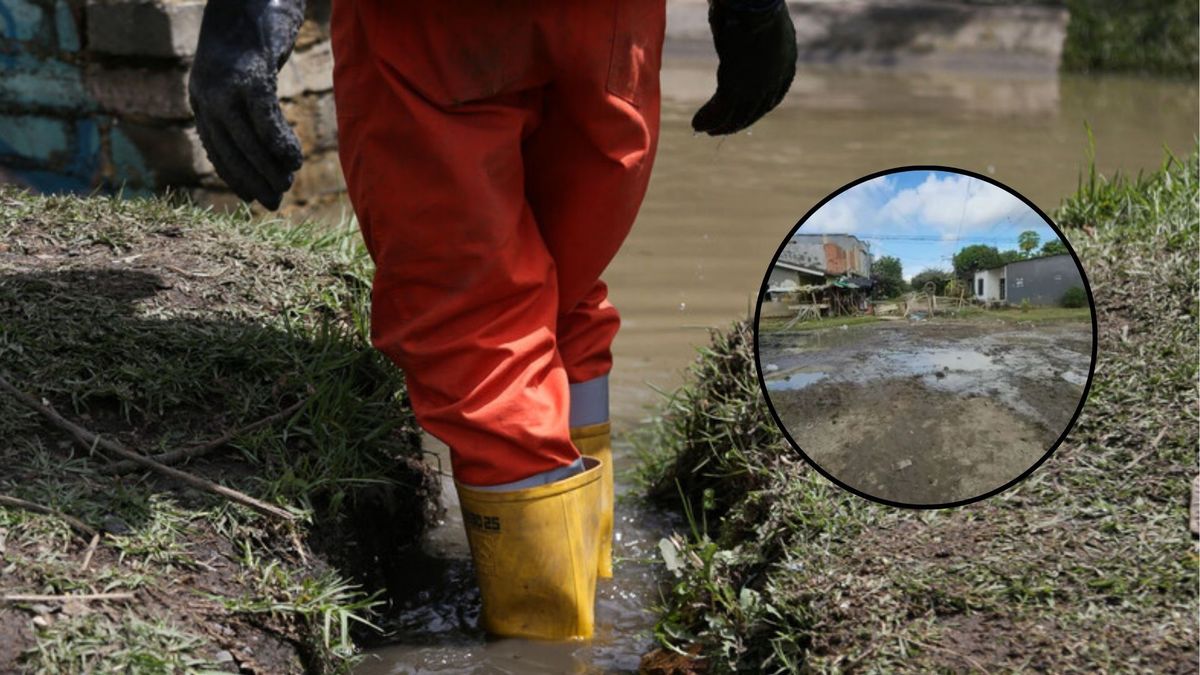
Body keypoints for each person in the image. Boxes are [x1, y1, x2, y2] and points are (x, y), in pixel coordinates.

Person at [189, 0, 795, 641]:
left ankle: (549, 642)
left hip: (429, 28)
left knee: (479, 331)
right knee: (566, 284)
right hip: (609, 24)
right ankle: (591, 583)